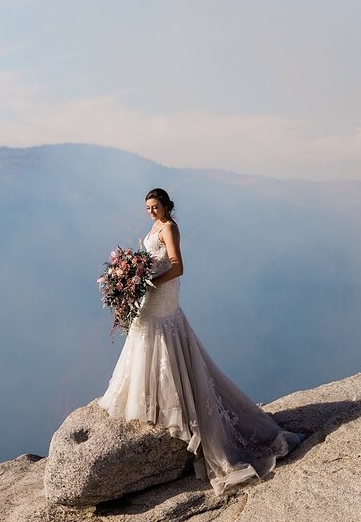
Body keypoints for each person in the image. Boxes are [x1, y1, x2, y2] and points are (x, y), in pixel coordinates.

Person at [98, 187, 306, 496]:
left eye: (155, 206)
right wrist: (135, 277)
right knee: (144, 332)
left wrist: (147, 281)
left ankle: (172, 406)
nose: (151, 211)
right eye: (148, 208)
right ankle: (150, 399)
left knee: (160, 335)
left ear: (166, 205)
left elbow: (178, 265)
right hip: (153, 293)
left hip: (163, 293)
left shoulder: (169, 227)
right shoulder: (156, 226)